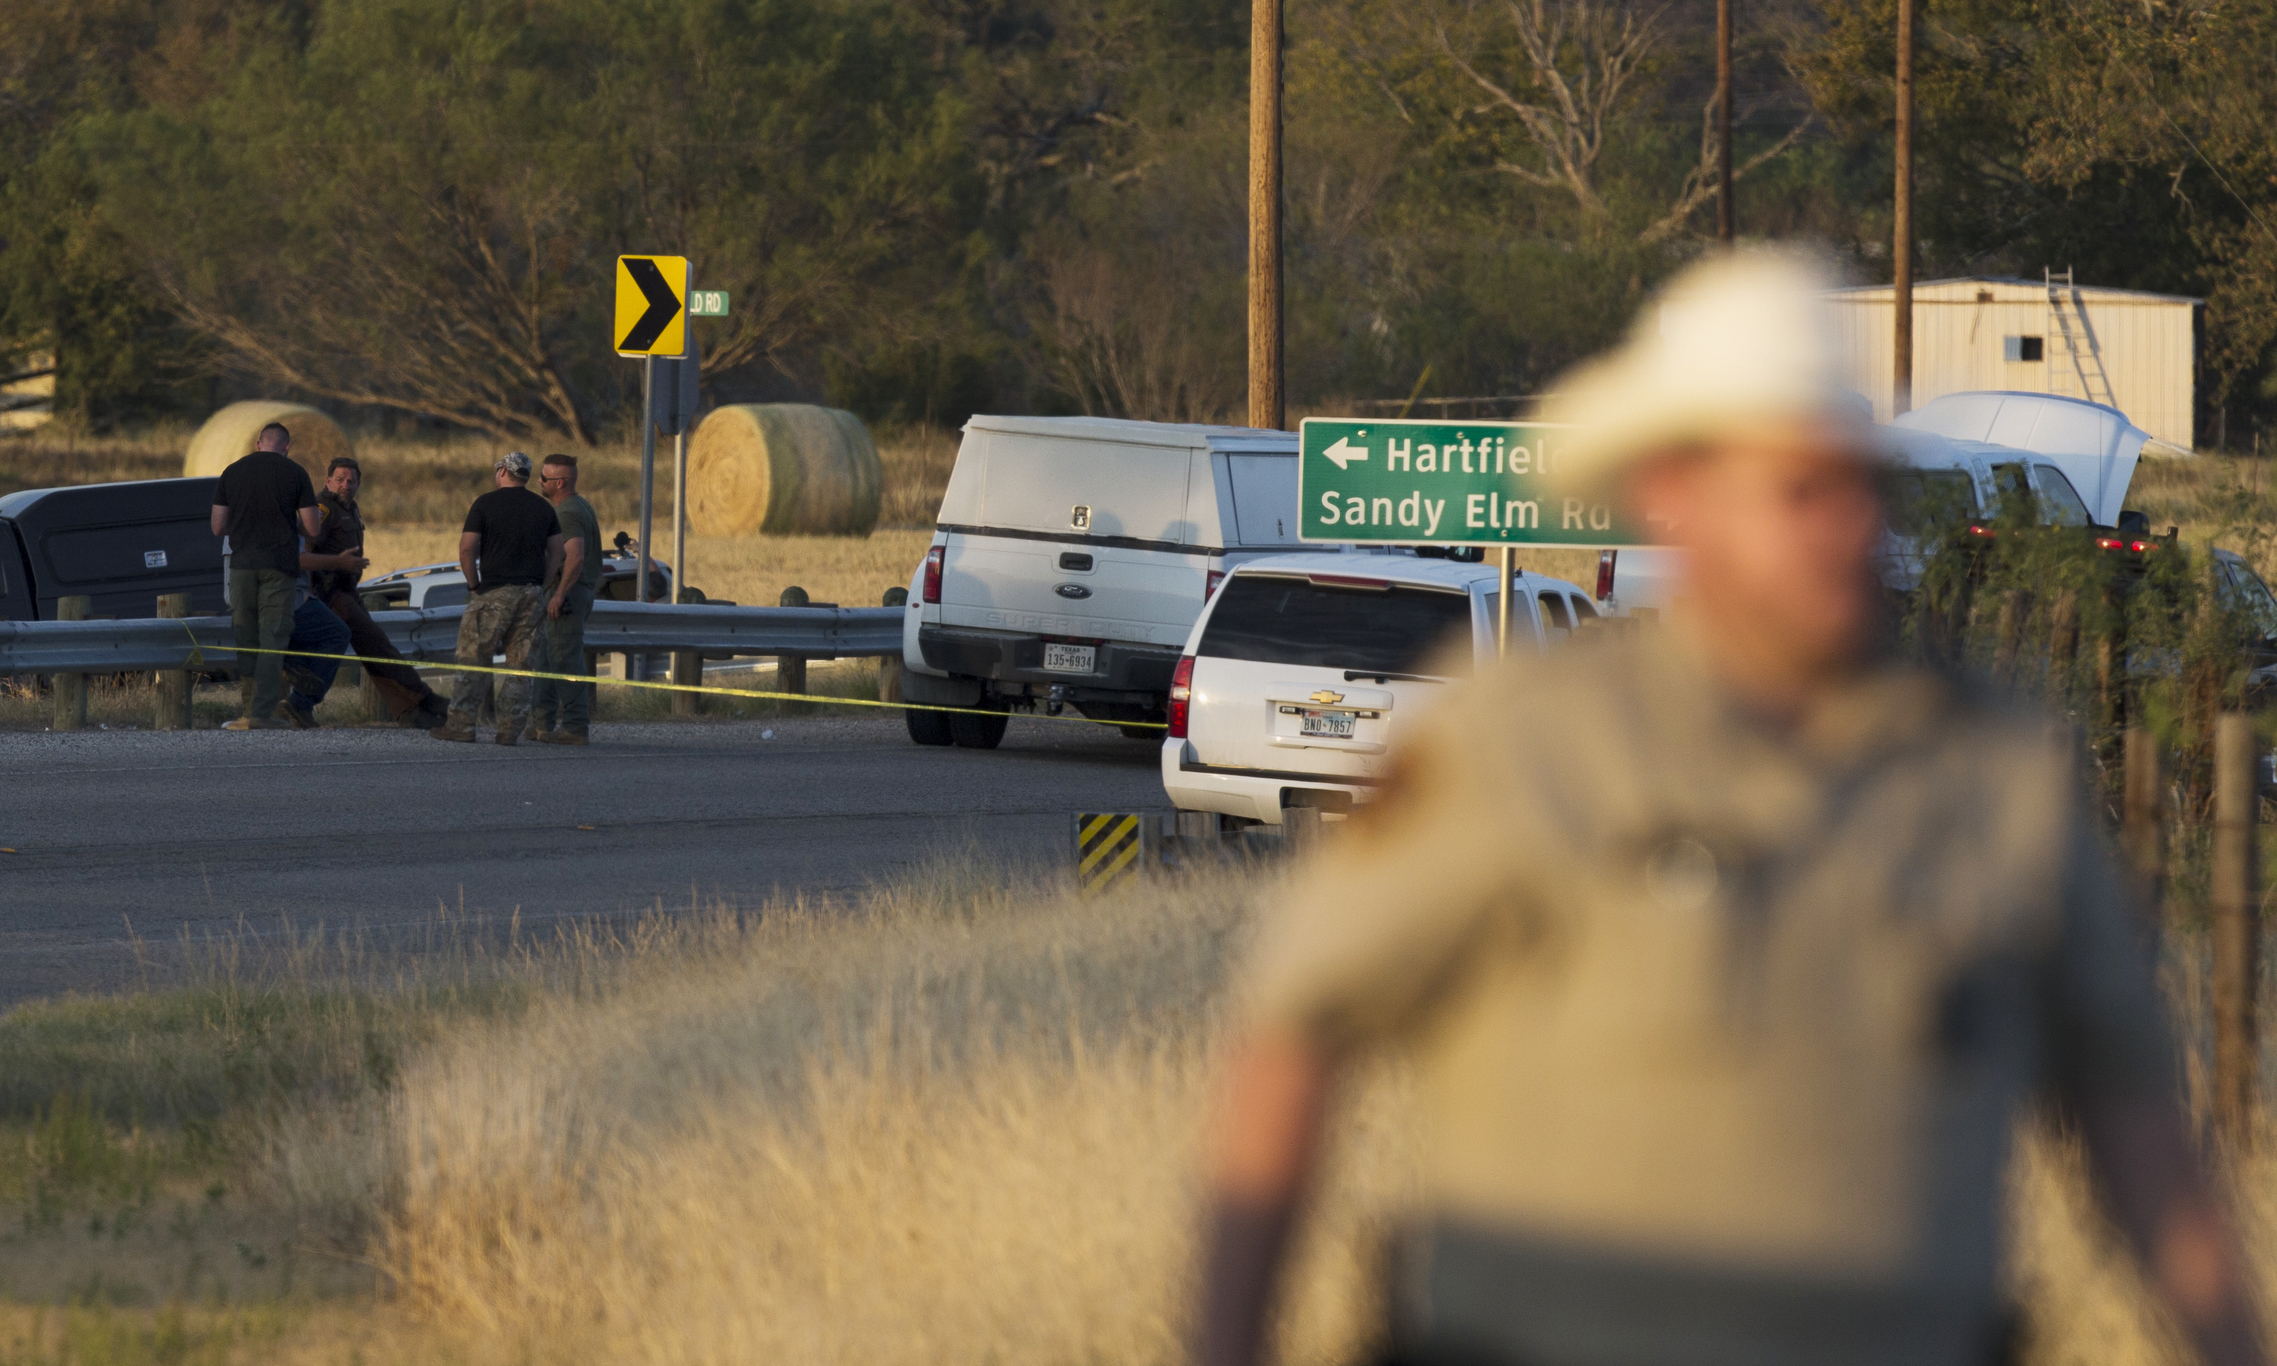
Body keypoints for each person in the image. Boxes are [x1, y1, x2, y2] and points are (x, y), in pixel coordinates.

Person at [1194, 254, 2267, 1366]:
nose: (1846, 528)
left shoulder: (1995, 773)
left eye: (1863, 488)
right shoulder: (1522, 741)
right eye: (1799, 491)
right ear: (1677, 497)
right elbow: (1293, 1040)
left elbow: (2135, 1120)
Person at [304, 456, 450, 729]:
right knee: (377, 645)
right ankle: (424, 700)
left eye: (351, 480)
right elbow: (306, 554)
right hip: (331, 594)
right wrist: (313, 595)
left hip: (349, 591)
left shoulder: (351, 508)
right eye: (340, 480)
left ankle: (409, 711)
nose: (346, 485)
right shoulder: (323, 509)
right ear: (328, 481)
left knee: (378, 648)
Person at [433, 451, 562, 745]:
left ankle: (462, 726)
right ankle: (509, 730)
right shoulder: (543, 509)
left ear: (503, 471)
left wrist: (473, 584)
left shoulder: (485, 504)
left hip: (493, 592)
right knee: (521, 666)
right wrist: (541, 585)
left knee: (473, 659)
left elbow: (467, 548)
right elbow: (558, 551)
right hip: (531, 594)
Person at [211, 421, 319, 730]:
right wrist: (290, 523)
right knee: (273, 637)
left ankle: (247, 713)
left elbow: (218, 527)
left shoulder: (231, 472)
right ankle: (262, 713)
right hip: (279, 567)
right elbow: (313, 528)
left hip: (242, 566)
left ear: (258, 443)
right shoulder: (296, 473)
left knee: (246, 635)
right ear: (286, 447)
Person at [526, 453, 601, 745]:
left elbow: (576, 556)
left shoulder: (567, 512)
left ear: (559, 482)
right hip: (569, 592)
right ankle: (542, 724)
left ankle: (575, 726)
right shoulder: (579, 505)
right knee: (546, 660)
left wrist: (559, 594)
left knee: (566, 660)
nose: (539, 482)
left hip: (568, 595)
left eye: (543, 478)